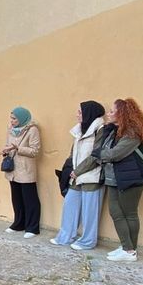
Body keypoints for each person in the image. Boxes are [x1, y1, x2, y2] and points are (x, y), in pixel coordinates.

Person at [92, 99, 143, 262]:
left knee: (129, 213)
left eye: (112, 111)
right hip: (113, 177)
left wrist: (99, 154)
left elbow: (114, 154)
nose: (108, 114)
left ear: (122, 114)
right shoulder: (114, 130)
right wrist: (100, 153)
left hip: (131, 177)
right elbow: (102, 150)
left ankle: (129, 250)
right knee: (116, 212)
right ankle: (127, 246)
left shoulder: (132, 133)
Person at [51, 101, 106, 250]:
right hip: (76, 176)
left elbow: (96, 156)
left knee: (90, 212)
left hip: (92, 176)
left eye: (80, 112)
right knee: (69, 205)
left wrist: (78, 171)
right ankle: (65, 236)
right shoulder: (80, 130)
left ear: (89, 113)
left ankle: (87, 241)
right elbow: (73, 152)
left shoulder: (100, 130)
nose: (77, 115)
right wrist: (70, 169)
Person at [2, 106, 42, 238]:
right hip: (13, 169)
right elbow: (8, 145)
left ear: (22, 118)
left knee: (30, 199)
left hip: (26, 169)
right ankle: (18, 223)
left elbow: (35, 150)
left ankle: (32, 227)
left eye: (14, 118)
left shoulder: (32, 130)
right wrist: (5, 151)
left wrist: (18, 148)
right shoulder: (10, 129)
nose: (12, 121)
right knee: (16, 198)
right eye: (11, 118)